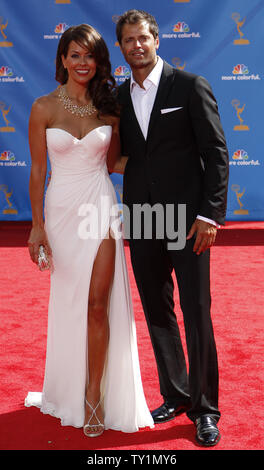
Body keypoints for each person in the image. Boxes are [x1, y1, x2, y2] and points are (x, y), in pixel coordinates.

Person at [25, 23, 154, 436]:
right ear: (62, 59)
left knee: (99, 304)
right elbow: (38, 171)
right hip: (62, 213)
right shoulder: (43, 107)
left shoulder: (109, 107)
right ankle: (65, 386)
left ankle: (93, 393)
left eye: (90, 55)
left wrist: (173, 167)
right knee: (71, 303)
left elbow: (115, 163)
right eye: (74, 54)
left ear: (100, 61)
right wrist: (36, 227)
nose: (83, 62)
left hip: (100, 206)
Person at [115, 10, 229, 446]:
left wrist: (209, 215)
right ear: (122, 47)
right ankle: (176, 394)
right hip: (142, 218)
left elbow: (217, 151)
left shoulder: (189, 85)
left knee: (197, 313)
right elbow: (127, 156)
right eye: (128, 41)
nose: (136, 46)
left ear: (157, 39)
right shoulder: (119, 97)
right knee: (159, 312)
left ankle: (205, 409)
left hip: (189, 220)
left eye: (142, 38)